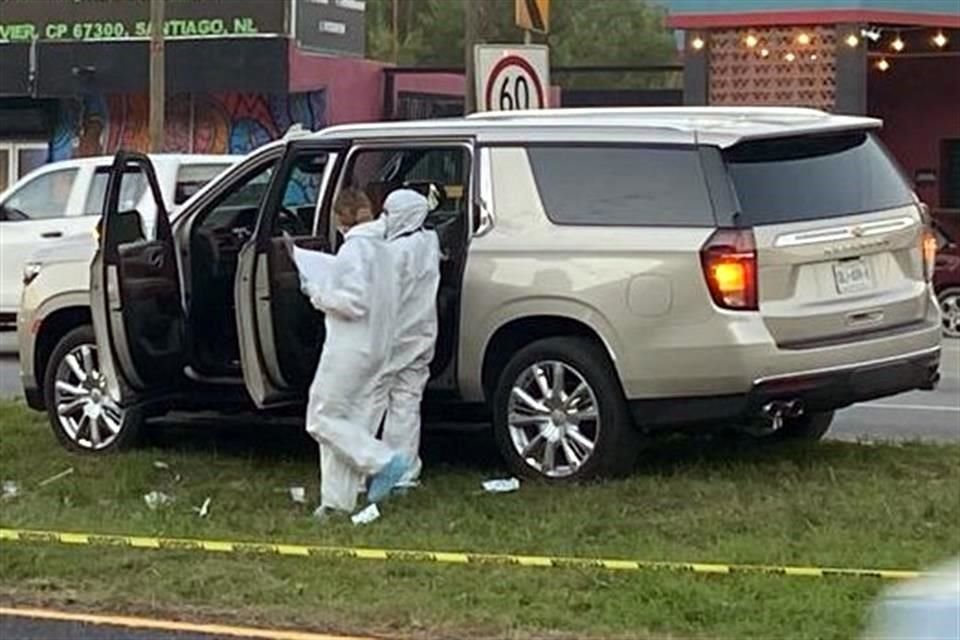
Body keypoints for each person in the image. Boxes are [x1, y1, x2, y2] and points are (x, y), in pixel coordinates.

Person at [300, 188, 410, 516]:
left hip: (349, 347)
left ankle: (382, 460)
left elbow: (352, 302)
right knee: (346, 423)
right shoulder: (386, 249)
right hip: (378, 345)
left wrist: (317, 292)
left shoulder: (354, 251)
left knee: (320, 419)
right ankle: (336, 502)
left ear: (340, 220)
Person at [379, 189, 442, 486]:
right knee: (406, 402)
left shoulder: (394, 253)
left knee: (378, 400)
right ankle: (403, 469)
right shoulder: (428, 241)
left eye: (388, 213)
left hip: (395, 336)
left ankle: (376, 466)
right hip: (422, 334)